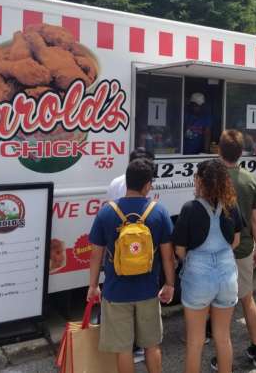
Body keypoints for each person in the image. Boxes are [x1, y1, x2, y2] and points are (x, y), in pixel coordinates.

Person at [87, 159, 176, 373]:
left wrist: (93, 286)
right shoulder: (159, 211)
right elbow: (168, 256)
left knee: (123, 349)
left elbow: (96, 255)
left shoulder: (107, 212)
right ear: (147, 185)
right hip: (148, 290)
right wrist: (170, 284)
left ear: (127, 181)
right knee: (152, 345)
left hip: (115, 292)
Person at [172, 159, 244, 373]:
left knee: (195, 341)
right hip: (227, 274)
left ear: (200, 181)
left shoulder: (190, 208)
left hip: (198, 276)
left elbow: (180, 250)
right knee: (223, 337)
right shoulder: (231, 205)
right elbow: (236, 241)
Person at [213, 129, 256, 370]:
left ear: (219, 150)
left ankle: (222, 356)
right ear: (241, 152)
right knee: (247, 298)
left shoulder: (212, 179)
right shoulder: (250, 179)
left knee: (221, 305)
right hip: (243, 248)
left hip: (217, 250)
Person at [106, 147, 155, 364]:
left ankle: (128, 345)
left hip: (118, 255)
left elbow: (108, 210)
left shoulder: (115, 183)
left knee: (121, 305)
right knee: (142, 305)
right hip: (141, 256)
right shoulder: (147, 192)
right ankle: (140, 345)